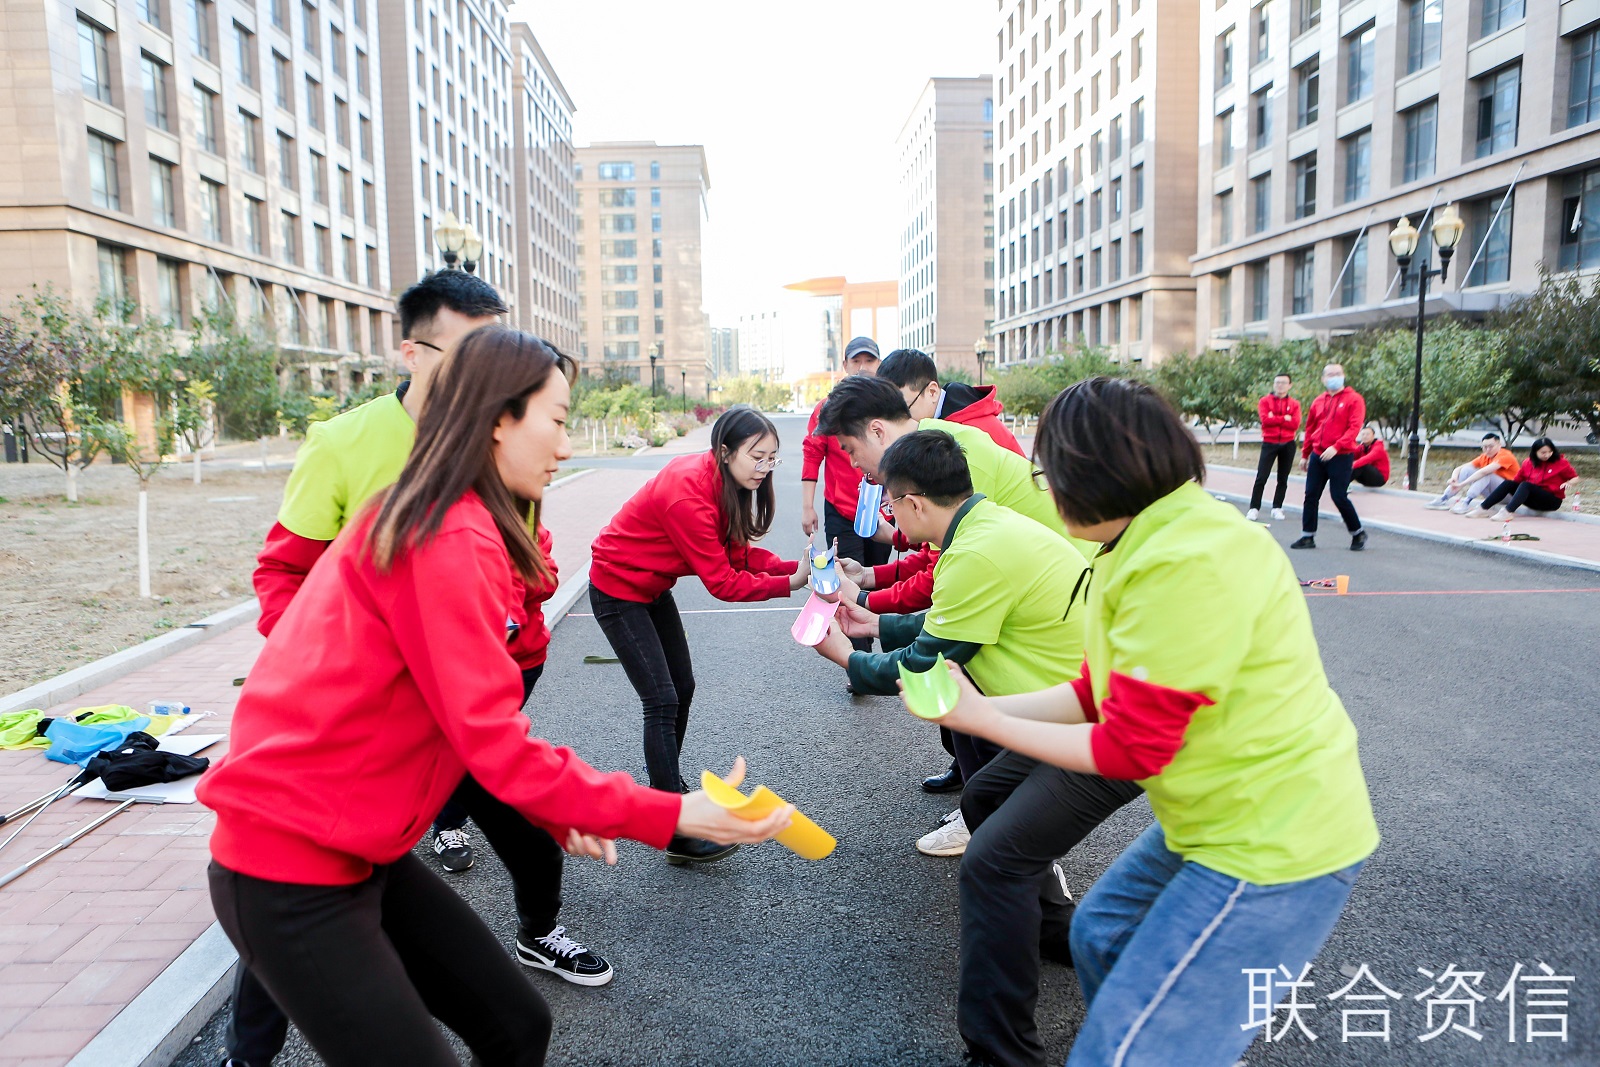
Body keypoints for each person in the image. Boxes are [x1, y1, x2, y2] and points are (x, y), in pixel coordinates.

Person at [200, 327, 792, 1067]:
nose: (567, 446)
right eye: (559, 419)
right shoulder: (443, 536)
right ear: (496, 419)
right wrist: (669, 811)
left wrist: (558, 804)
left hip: (359, 853)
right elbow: (494, 740)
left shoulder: (462, 520)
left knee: (517, 1027)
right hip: (288, 870)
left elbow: (468, 724)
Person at [908, 376, 1378, 1067]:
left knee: (1119, 1051)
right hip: (1219, 816)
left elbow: (1129, 745)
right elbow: (1096, 692)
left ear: (1094, 474)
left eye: (1051, 472)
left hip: (1273, 840)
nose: (1046, 488)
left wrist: (984, 717)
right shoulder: (1139, 539)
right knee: (1100, 934)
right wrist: (979, 710)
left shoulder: (1186, 559)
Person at [231, 278, 610, 1067]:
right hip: (357, 750)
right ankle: (247, 1052)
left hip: (464, 710)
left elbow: (518, 566)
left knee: (517, 982)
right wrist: (347, 682)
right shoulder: (351, 447)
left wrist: (512, 630)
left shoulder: (503, 458)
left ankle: (539, 933)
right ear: (415, 351)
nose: (500, 363)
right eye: (475, 348)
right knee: (300, 921)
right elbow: (285, 582)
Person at [815, 376, 1095, 851]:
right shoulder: (964, 497)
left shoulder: (965, 512)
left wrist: (847, 656)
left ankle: (1006, 818)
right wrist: (875, 615)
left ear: (878, 431)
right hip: (1053, 637)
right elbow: (952, 603)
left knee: (950, 674)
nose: (852, 462)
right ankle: (997, 807)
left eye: (849, 447)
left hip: (1065, 679)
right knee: (973, 745)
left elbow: (931, 644)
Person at [589, 405, 808, 865]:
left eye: (773, 458)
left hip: (651, 587)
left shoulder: (720, 481)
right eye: (757, 457)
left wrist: (800, 569)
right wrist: (788, 584)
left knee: (682, 687)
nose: (765, 468)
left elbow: (736, 553)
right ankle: (674, 826)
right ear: (725, 452)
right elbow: (723, 582)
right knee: (662, 699)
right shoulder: (686, 493)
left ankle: (669, 794)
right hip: (617, 589)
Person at [802, 337, 889, 651]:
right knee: (848, 578)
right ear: (845, 366)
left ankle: (887, 643)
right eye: (856, 361)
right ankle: (860, 658)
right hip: (841, 510)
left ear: (879, 365)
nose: (863, 367)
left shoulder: (888, 406)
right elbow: (813, 454)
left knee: (879, 576)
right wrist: (806, 506)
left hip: (883, 513)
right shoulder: (827, 409)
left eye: (870, 360)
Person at [876, 348, 1025, 456]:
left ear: (932, 392)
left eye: (903, 410)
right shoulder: (945, 421)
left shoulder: (973, 430)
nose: (895, 422)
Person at [1290, 363, 1368, 551]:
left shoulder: (1354, 399)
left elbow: (1354, 427)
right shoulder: (1318, 401)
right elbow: (1310, 428)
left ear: (1343, 376)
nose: (1334, 377)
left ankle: (1357, 532)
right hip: (1318, 454)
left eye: (1338, 373)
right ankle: (1307, 536)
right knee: (1310, 495)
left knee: (1338, 496)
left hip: (1341, 455)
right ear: (1323, 379)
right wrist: (1305, 454)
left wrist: (1337, 446)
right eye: (1330, 374)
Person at [1466, 436, 1581, 519]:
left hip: (1551, 501)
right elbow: (1517, 480)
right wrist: (1512, 489)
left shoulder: (1561, 463)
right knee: (1509, 483)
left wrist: (1570, 483)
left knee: (1526, 485)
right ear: (1535, 452)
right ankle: (1482, 509)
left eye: (1549, 452)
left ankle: (1507, 512)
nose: (1547, 455)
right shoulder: (1528, 463)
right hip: (1532, 500)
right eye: (1543, 452)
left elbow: (1575, 478)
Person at [1246, 371, 1300, 521]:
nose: (1280, 386)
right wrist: (1284, 419)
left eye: (1283, 383)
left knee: (1283, 478)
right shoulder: (1265, 401)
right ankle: (1254, 508)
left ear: (1289, 385)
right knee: (1261, 476)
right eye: (1277, 382)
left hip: (1288, 443)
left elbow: (1295, 423)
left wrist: (1275, 418)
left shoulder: (1294, 404)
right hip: (1269, 442)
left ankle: (1277, 507)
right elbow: (1265, 420)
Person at [1422, 432, 1519, 513]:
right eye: (1485, 447)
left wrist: (1462, 484)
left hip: (1510, 496)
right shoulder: (1484, 457)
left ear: (1499, 445)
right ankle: (1444, 498)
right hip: (1494, 495)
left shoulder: (1505, 456)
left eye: (1491, 446)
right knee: (1467, 470)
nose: (1487, 450)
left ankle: (1466, 502)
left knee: (1486, 475)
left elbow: (1484, 472)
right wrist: (1454, 478)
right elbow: (1460, 468)